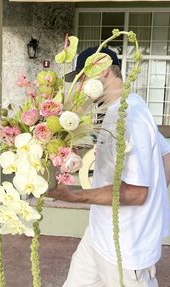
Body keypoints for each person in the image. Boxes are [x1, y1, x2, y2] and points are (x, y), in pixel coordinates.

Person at [47, 47, 170, 287]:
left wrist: (73, 196)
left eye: (82, 79)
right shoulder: (119, 110)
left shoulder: (130, 117)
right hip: (98, 232)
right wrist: (158, 192)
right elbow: (167, 153)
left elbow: (136, 193)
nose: (80, 88)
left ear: (102, 70)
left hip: (124, 248)